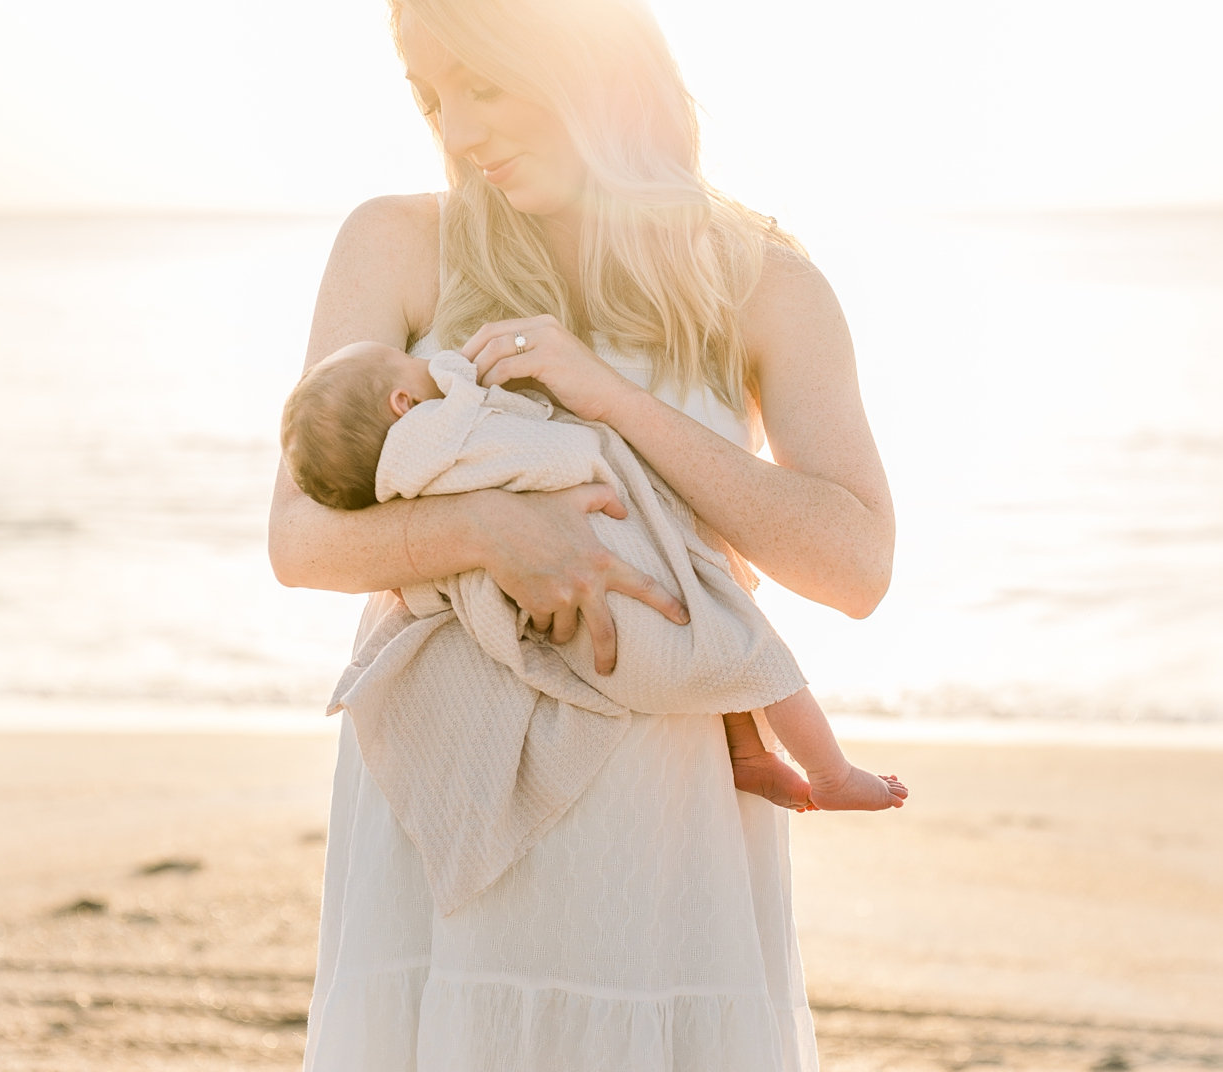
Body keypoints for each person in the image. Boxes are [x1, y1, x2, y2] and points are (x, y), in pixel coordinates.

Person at [267, 0, 895, 1066]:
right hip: (439, 823)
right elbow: (300, 538)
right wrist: (495, 529)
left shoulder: (761, 281)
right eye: (431, 97)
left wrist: (613, 400)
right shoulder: (400, 240)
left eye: (486, 84)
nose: (458, 133)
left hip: (663, 838)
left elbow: (855, 565)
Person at [279, 340, 906, 833]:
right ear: (402, 407)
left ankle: (746, 753)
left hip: (584, 625)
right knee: (751, 651)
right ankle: (830, 773)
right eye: (410, 363)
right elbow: (560, 456)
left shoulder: (403, 482)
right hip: (608, 610)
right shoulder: (439, 438)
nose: (428, 363)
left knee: (721, 646)